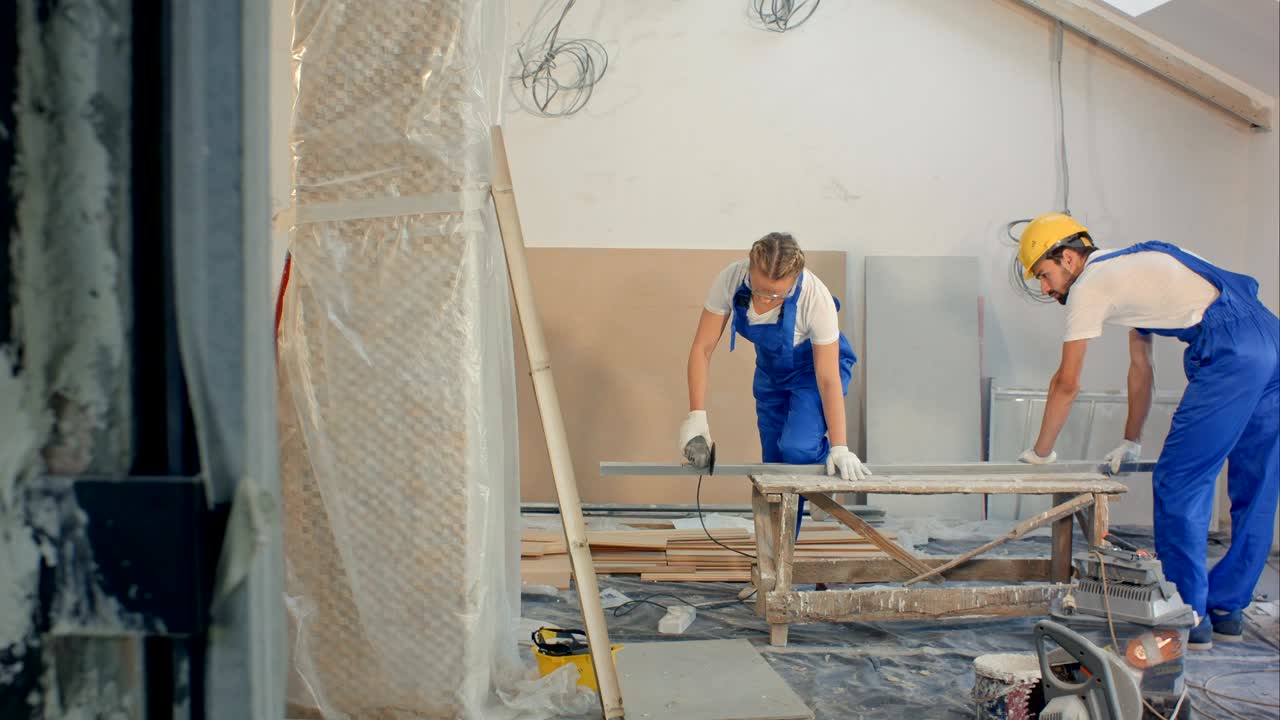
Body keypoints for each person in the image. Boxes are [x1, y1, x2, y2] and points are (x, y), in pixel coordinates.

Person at [1013, 212, 1279, 650]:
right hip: (1271, 338)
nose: (1047, 288)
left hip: (1234, 349)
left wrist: (1041, 453)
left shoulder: (1090, 285)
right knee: (1258, 481)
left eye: (1044, 275)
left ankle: (1187, 615)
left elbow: (1067, 381)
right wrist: (1130, 438)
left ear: (1067, 258)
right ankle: (1228, 607)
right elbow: (1141, 369)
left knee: (1179, 482)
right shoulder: (1137, 265)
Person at [679, 232, 867, 533]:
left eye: (776, 295)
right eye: (760, 289)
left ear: (794, 279)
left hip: (813, 372)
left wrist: (841, 447)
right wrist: (696, 418)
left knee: (797, 449)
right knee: (775, 466)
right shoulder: (731, 279)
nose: (766, 299)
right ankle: (780, 562)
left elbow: (828, 378)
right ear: (750, 269)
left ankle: (821, 481)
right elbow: (701, 348)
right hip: (770, 373)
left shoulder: (815, 298)